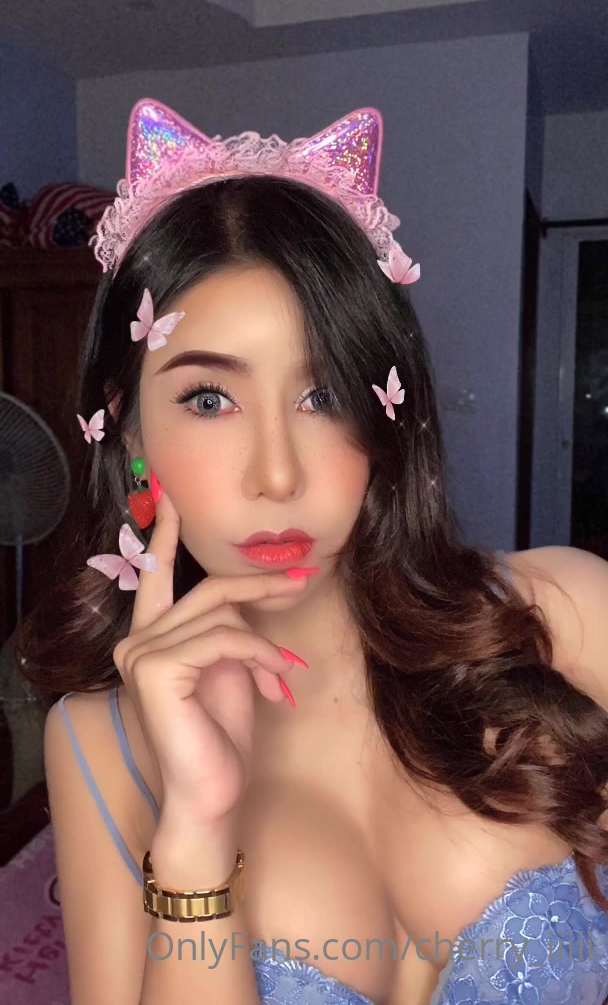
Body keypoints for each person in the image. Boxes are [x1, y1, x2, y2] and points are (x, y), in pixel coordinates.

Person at [19, 99, 608, 1004]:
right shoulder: (99, 742)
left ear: (383, 416)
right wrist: (197, 830)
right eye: (209, 399)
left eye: (323, 393)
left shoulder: (563, 612)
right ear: (129, 431)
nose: (278, 474)